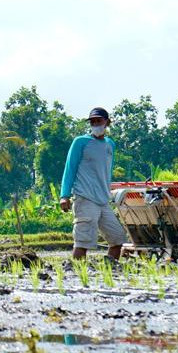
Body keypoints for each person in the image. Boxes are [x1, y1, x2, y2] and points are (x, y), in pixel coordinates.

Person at [59, 107, 127, 261]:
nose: (96, 124)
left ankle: (109, 270)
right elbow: (70, 169)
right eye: (93, 121)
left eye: (99, 121)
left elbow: (106, 173)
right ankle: (76, 273)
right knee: (83, 241)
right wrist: (64, 195)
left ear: (107, 122)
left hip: (103, 200)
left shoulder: (110, 144)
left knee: (118, 239)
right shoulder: (81, 142)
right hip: (85, 198)